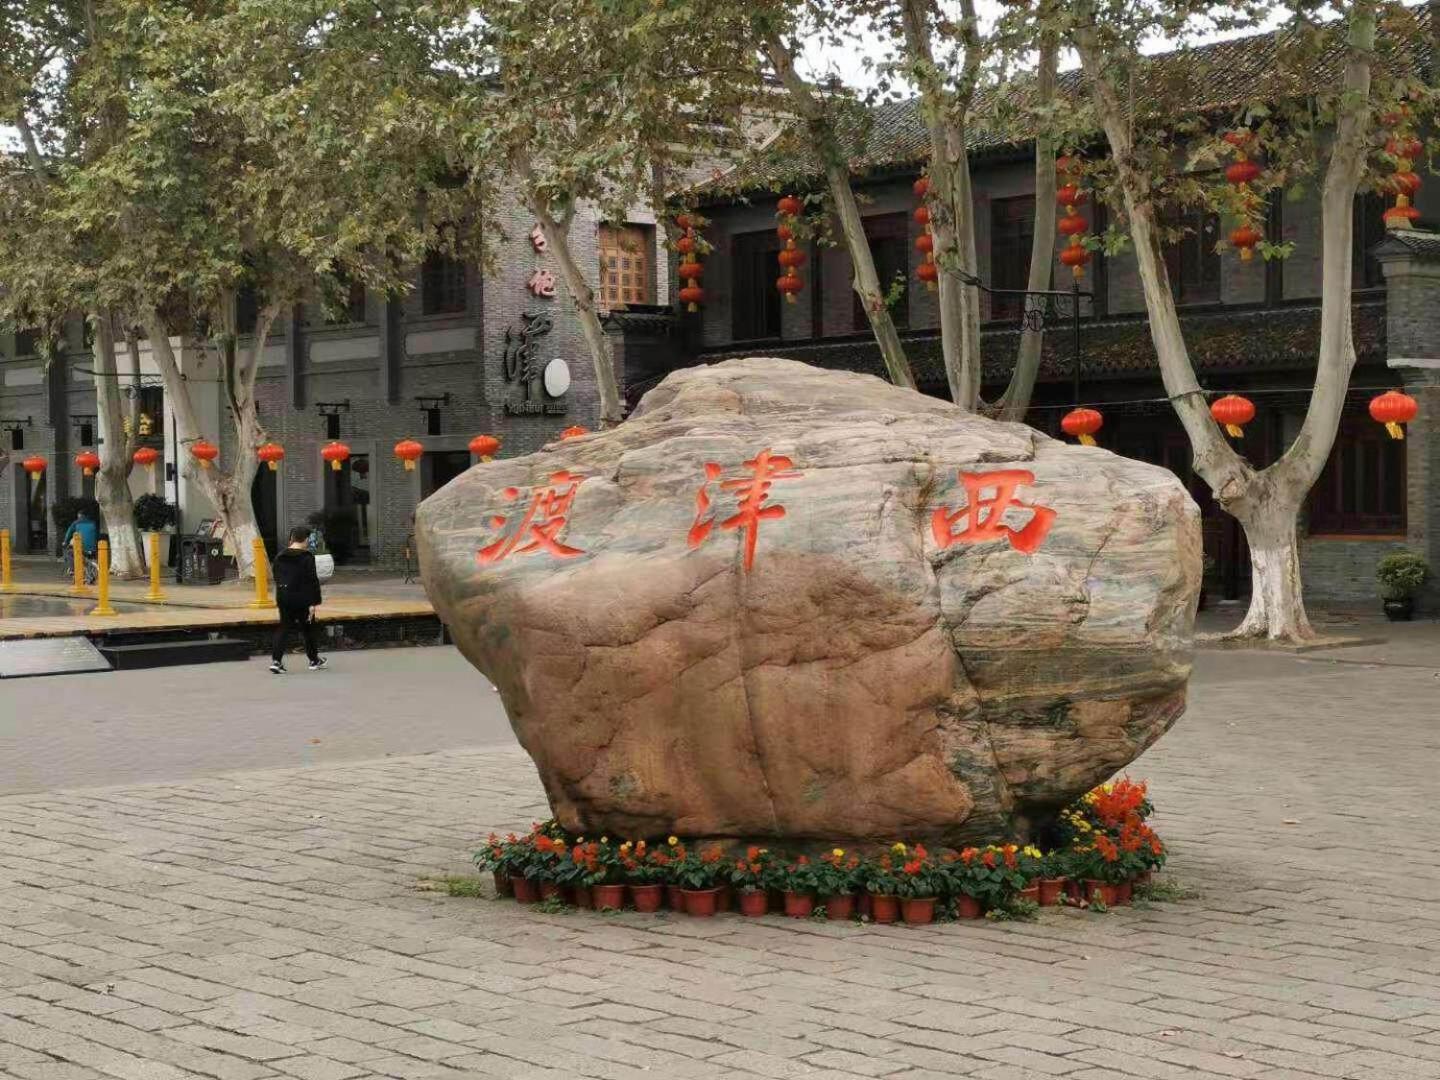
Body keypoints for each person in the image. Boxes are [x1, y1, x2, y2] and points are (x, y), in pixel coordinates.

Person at [270, 524, 327, 674]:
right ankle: (313, 660)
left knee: (284, 627)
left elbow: (276, 577)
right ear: (306, 539)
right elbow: (312, 581)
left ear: (292, 538)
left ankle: (276, 661)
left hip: (284, 597)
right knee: (308, 629)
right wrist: (313, 602)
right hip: (303, 599)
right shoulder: (306, 557)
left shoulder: (280, 556)